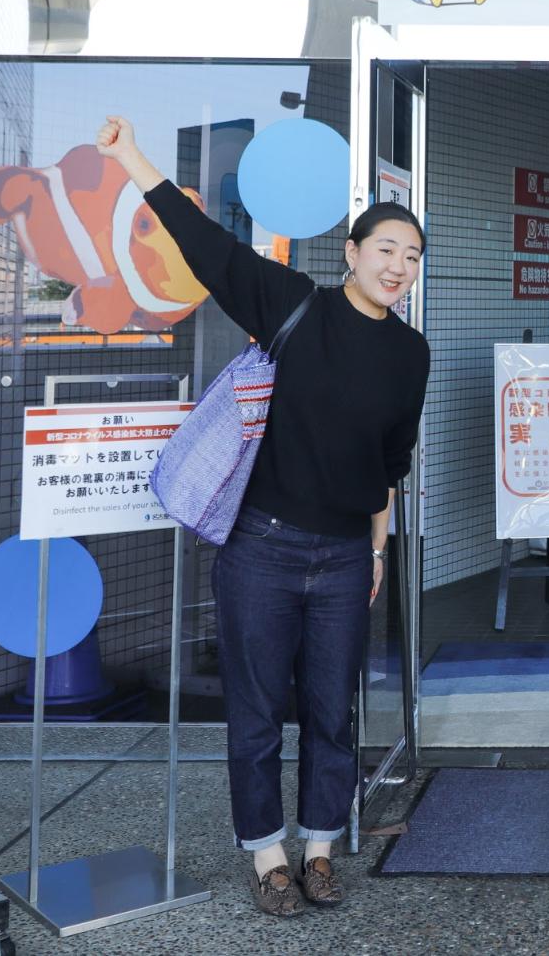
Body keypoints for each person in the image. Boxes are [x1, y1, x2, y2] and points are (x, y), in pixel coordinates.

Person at [95, 116, 430, 918]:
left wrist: (378, 550)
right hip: (263, 549)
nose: (398, 266)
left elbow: (392, 462)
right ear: (351, 252)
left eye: (412, 256)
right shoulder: (294, 304)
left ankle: (319, 846)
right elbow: (205, 244)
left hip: (348, 555)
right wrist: (131, 158)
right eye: (385, 248)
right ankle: (267, 854)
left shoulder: (409, 352)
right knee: (254, 713)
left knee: (329, 710)